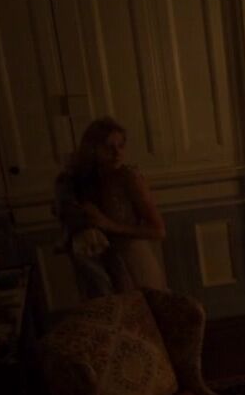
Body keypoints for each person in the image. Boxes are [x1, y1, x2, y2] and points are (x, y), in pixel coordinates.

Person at [53, 117, 168, 298]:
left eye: (121, 146)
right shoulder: (79, 182)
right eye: (109, 147)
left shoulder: (129, 178)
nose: (117, 153)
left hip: (133, 260)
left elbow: (158, 230)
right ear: (92, 149)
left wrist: (109, 225)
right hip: (99, 264)